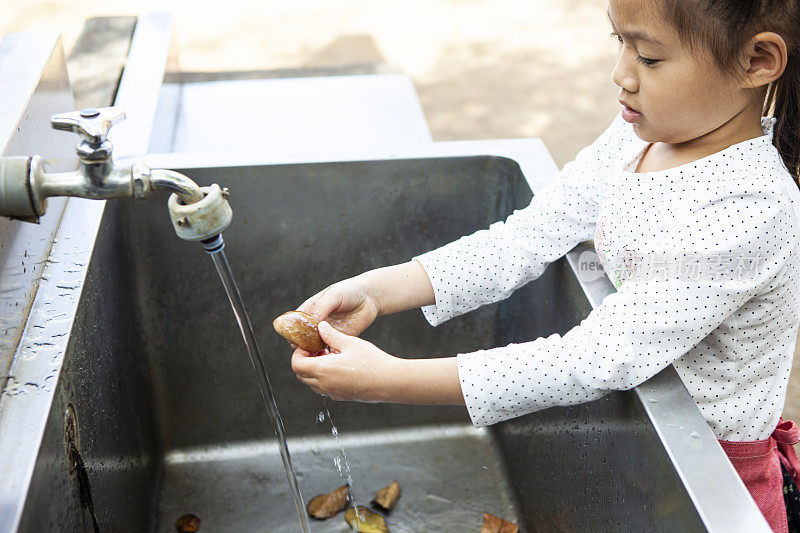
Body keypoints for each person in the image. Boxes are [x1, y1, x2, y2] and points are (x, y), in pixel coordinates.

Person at [290, 0, 800, 530]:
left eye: (649, 58)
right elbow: (526, 237)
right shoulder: (640, 136)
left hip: (703, 475)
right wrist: (377, 291)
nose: (621, 74)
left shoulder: (749, 210)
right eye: (619, 42)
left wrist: (389, 380)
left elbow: (595, 357)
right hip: (629, 440)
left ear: (758, 61)